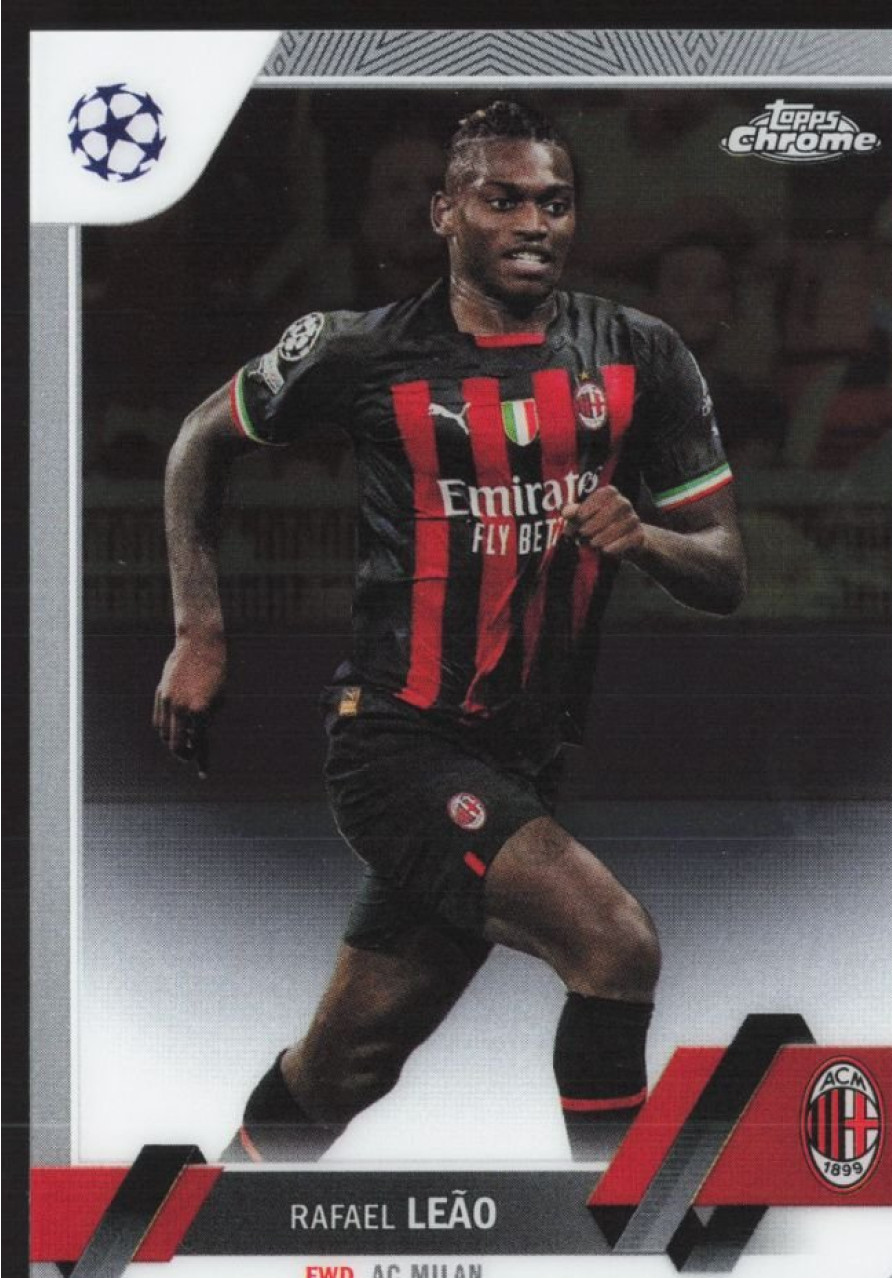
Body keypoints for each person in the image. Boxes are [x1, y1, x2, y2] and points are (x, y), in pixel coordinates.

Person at [153, 101, 747, 1165]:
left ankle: (208, 1218)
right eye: (502, 200)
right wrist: (201, 629)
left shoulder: (641, 354)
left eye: (554, 203)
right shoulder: (361, 351)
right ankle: (626, 1235)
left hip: (522, 762)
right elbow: (199, 439)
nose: (533, 224)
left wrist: (646, 538)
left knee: (347, 1062)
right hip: (397, 744)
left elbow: (725, 569)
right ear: (445, 213)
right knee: (615, 946)